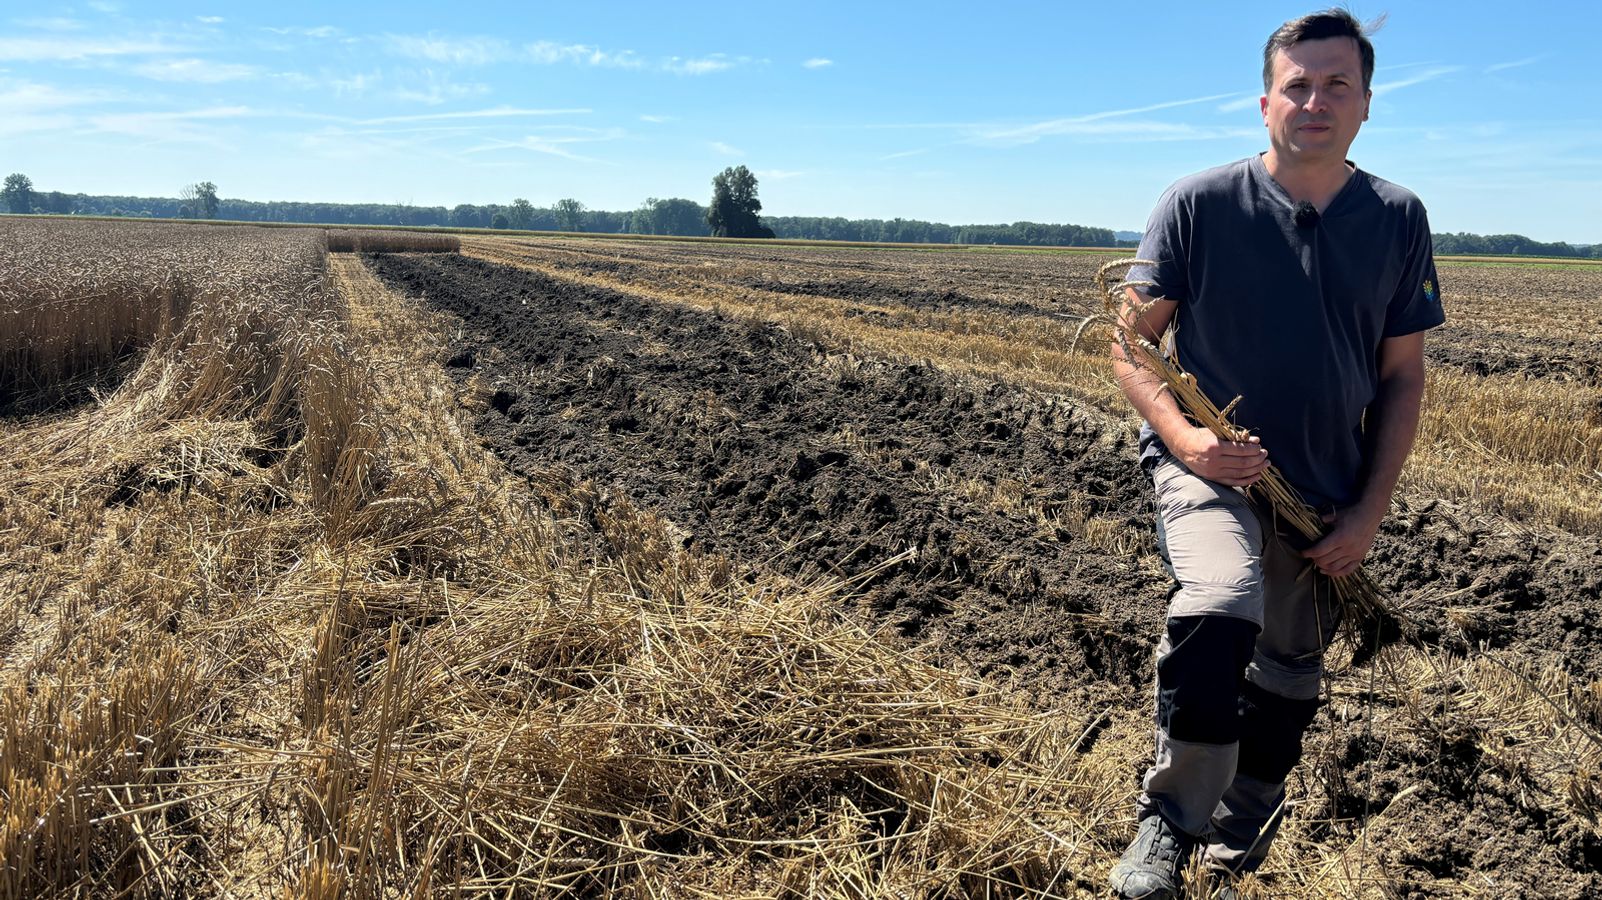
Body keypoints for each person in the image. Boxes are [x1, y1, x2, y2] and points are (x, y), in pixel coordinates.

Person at [1107, 9, 1445, 898]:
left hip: (1323, 490)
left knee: (1292, 665)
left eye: (1337, 84)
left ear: (1366, 103)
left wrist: (1367, 513)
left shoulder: (1398, 217)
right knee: (1220, 603)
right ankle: (1171, 821)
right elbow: (1130, 342)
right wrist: (1189, 441)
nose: (1315, 101)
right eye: (1298, 85)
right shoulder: (1198, 203)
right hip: (1210, 471)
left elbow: (1402, 376)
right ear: (1266, 103)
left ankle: (1244, 821)